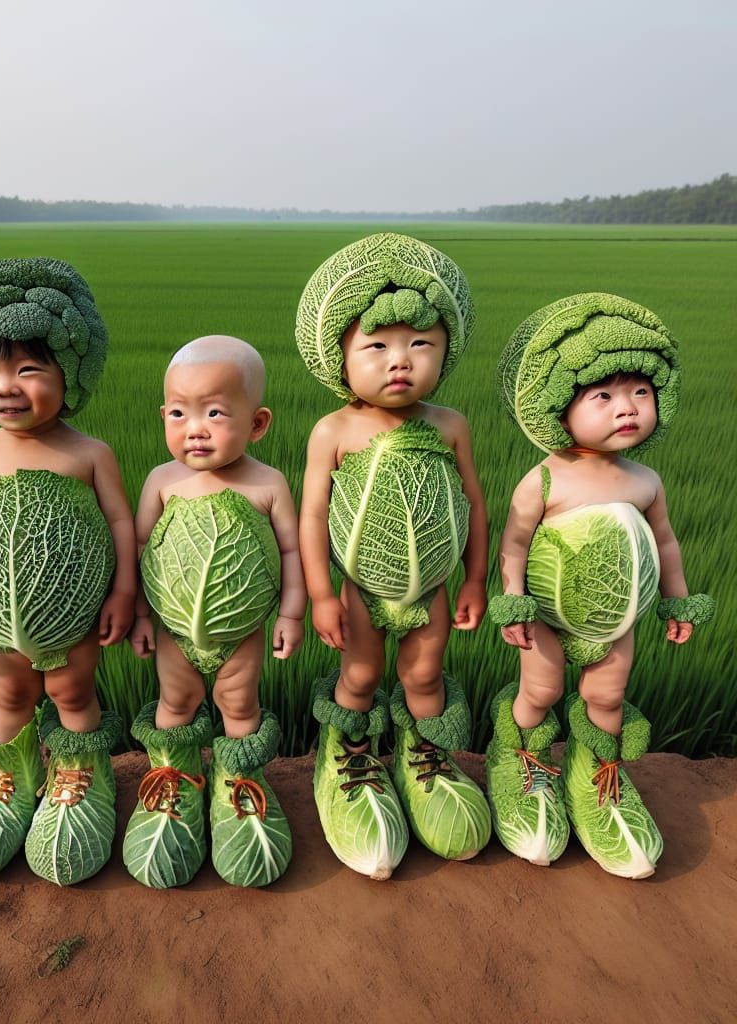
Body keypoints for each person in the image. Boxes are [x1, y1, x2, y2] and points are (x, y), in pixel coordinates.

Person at [0, 257, 136, 884]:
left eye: (28, 370)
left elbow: (120, 522)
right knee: (10, 695)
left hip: (73, 613)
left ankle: (81, 773)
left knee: (72, 692)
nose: (5, 387)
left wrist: (124, 591)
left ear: (69, 374)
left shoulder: (89, 453)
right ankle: (12, 775)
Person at [488, 292, 713, 877]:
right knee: (540, 691)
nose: (627, 408)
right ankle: (523, 762)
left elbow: (665, 543)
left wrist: (677, 599)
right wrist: (513, 598)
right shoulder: (544, 479)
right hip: (546, 617)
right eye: (604, 396)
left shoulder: (645, 481)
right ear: (560, 409)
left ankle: (597, 774)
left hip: (615, 620)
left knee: (607, 697)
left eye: (641, 392)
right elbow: (514, 544)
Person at [296, 233, 492, 878]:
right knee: (359, 676)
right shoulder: (334, 430)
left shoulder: (449, 424)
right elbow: (313, 515)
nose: (400, 360)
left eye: (421, 345)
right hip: (361, 586)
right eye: (376, 346)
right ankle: (347, 755)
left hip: (431, 588)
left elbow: (472, 503)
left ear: (446, 352)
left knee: (425, 676)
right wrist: (320, 593)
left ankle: (423, 757)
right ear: (340, 355)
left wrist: (474, 579)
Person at [125, 335, 306, 888]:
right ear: (162, 416)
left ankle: (238, 780)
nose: (195, 429)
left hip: (242, 627)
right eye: (179, 413)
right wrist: (140, 614)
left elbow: (291, 551)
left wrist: (291, 613)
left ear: (257, 424)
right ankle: (173, 775)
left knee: (238, 703)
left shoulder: (267, 483)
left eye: (215, 413)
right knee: (175, 701)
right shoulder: (163, 480)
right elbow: (140, 548)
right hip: (175, 627)